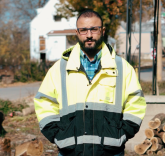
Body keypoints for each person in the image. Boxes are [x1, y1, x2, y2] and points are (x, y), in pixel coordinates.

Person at [34, 9, 147, 156]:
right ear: (77, 32)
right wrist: (58, 135)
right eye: (83, 30)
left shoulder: (122, 67)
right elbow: (44, 102)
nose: (88, 35)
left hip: (111, 152)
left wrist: (121, 134)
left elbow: (136, 103)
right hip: (70, 152)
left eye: (94, 29)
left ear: (102, 31)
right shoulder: (60, 68)